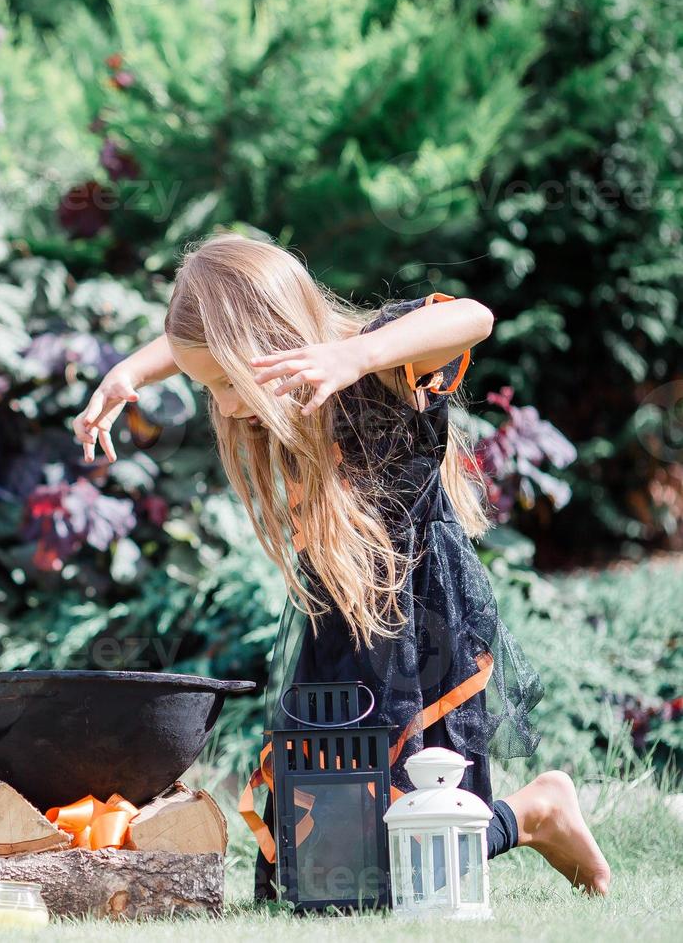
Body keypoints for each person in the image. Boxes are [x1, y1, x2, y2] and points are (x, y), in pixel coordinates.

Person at [73, 232, 611, 896]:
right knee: (316, 875)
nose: (227, 405)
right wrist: (131, 373)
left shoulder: (380, 364)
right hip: (339, 612)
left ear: (265, 345)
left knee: (406, 866)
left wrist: (357, 354)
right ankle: (518, 820)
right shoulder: (266, 371)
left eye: (224, 383)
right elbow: (206, 342)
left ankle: (535, 812)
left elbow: (473, 316)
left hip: (416, 619)